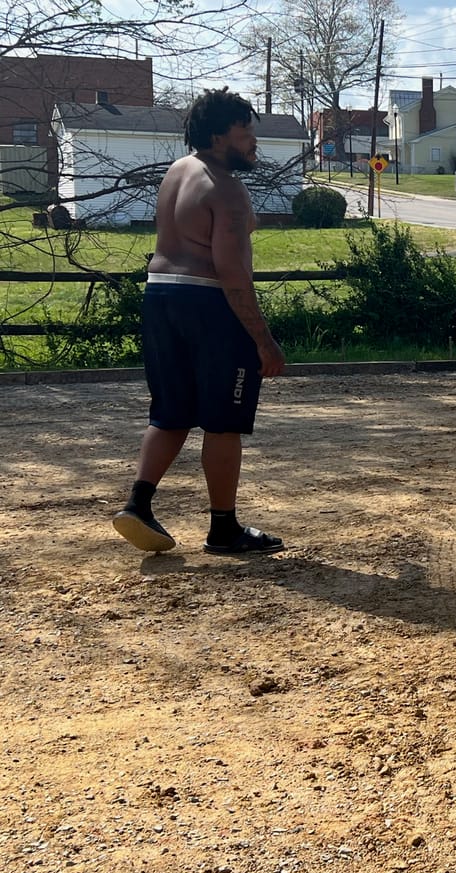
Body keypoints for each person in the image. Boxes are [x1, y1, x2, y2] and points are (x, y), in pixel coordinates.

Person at [112, 88, 286, 555]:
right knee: (223, 421)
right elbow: (232, 272)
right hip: (209, 305)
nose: (254, 141)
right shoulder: (226, 189)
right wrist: (264, 341)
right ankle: (223, 528)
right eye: (245, 132)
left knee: (171, 411)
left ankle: (138, 504)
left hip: (160, 296)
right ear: (217, 135)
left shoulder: (178, 171)